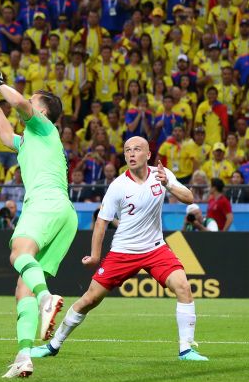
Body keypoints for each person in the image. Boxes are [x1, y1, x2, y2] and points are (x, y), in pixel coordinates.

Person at [32, 137, 208, 362]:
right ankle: (53, 345)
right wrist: (96, 255)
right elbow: (101, 222)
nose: (132, 154)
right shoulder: (118, 186)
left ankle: (186, 350)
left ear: (148, 154)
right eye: (127, 150)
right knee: (90, 299)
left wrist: (168, 184)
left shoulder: (160, 175)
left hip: (156, 249)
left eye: (137, 149)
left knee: (183, 286)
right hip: (123, 251)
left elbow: (189, 198)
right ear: (125, 157)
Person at [0, 66, 77, 378]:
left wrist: (2, 85)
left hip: (45, 203)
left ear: (43, 110)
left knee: (18, 251)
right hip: (63, 214)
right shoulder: (29, 141)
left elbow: (21, 104)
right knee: (24, 286)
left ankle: (47, 299)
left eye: (34, 102)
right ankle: (24, 356)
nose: (27, 104)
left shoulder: (46, 128)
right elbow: (6, 135)